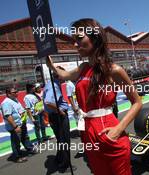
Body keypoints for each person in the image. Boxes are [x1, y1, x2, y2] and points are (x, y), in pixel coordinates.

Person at [46, 18, 142, 175]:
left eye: (79, 38)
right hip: (87, 134)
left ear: (95, 38)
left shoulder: (114, 70)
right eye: (73, 40)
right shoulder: (83, 67)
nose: (75, 44)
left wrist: (118, 129)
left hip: (109, 133)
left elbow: (137, 102)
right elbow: (64, 74)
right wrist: (51, 65)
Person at [43, 67, 76, 173]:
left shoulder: (52, 84)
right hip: (58, 117)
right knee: (65, 140)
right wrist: (60, 111)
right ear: (59, 75)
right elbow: (48, 101)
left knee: (61, 140)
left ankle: (59, 159)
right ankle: (65, 165)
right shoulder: (54, 86)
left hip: (54, 116)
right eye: (64, 73)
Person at [0, 87, 36, 163]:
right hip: (15, 126)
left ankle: (30, 149)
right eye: (14, 92)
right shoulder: (6, 103)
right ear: (8, 94)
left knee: (25, 137)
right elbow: (8, 116)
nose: (17, 93)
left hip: (21, 123)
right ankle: (17, 156)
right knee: (16, 142)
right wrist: (15, 126)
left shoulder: (14, 100)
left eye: (17, 91)